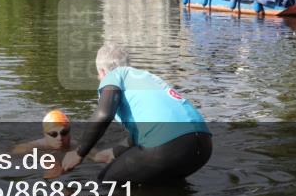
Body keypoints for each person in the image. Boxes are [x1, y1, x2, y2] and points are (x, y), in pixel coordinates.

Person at [62, 44, 212, 185]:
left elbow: (103, 114)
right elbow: (146, 131)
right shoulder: (146, 78)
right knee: (165, 184)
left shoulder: (113, 75)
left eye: (99, 75)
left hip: (168, 146)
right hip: (202, 145)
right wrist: (113, 152)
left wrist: (79, 152)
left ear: (102, 72)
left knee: (107, 182)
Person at [13, 110, 114, 178]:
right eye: (53, 134)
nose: (60, 138)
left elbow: (99, 156)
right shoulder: (31, 147)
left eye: (64, 133)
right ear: (45, 135)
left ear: (69, 132)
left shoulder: (76, 146)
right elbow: (9, 158)